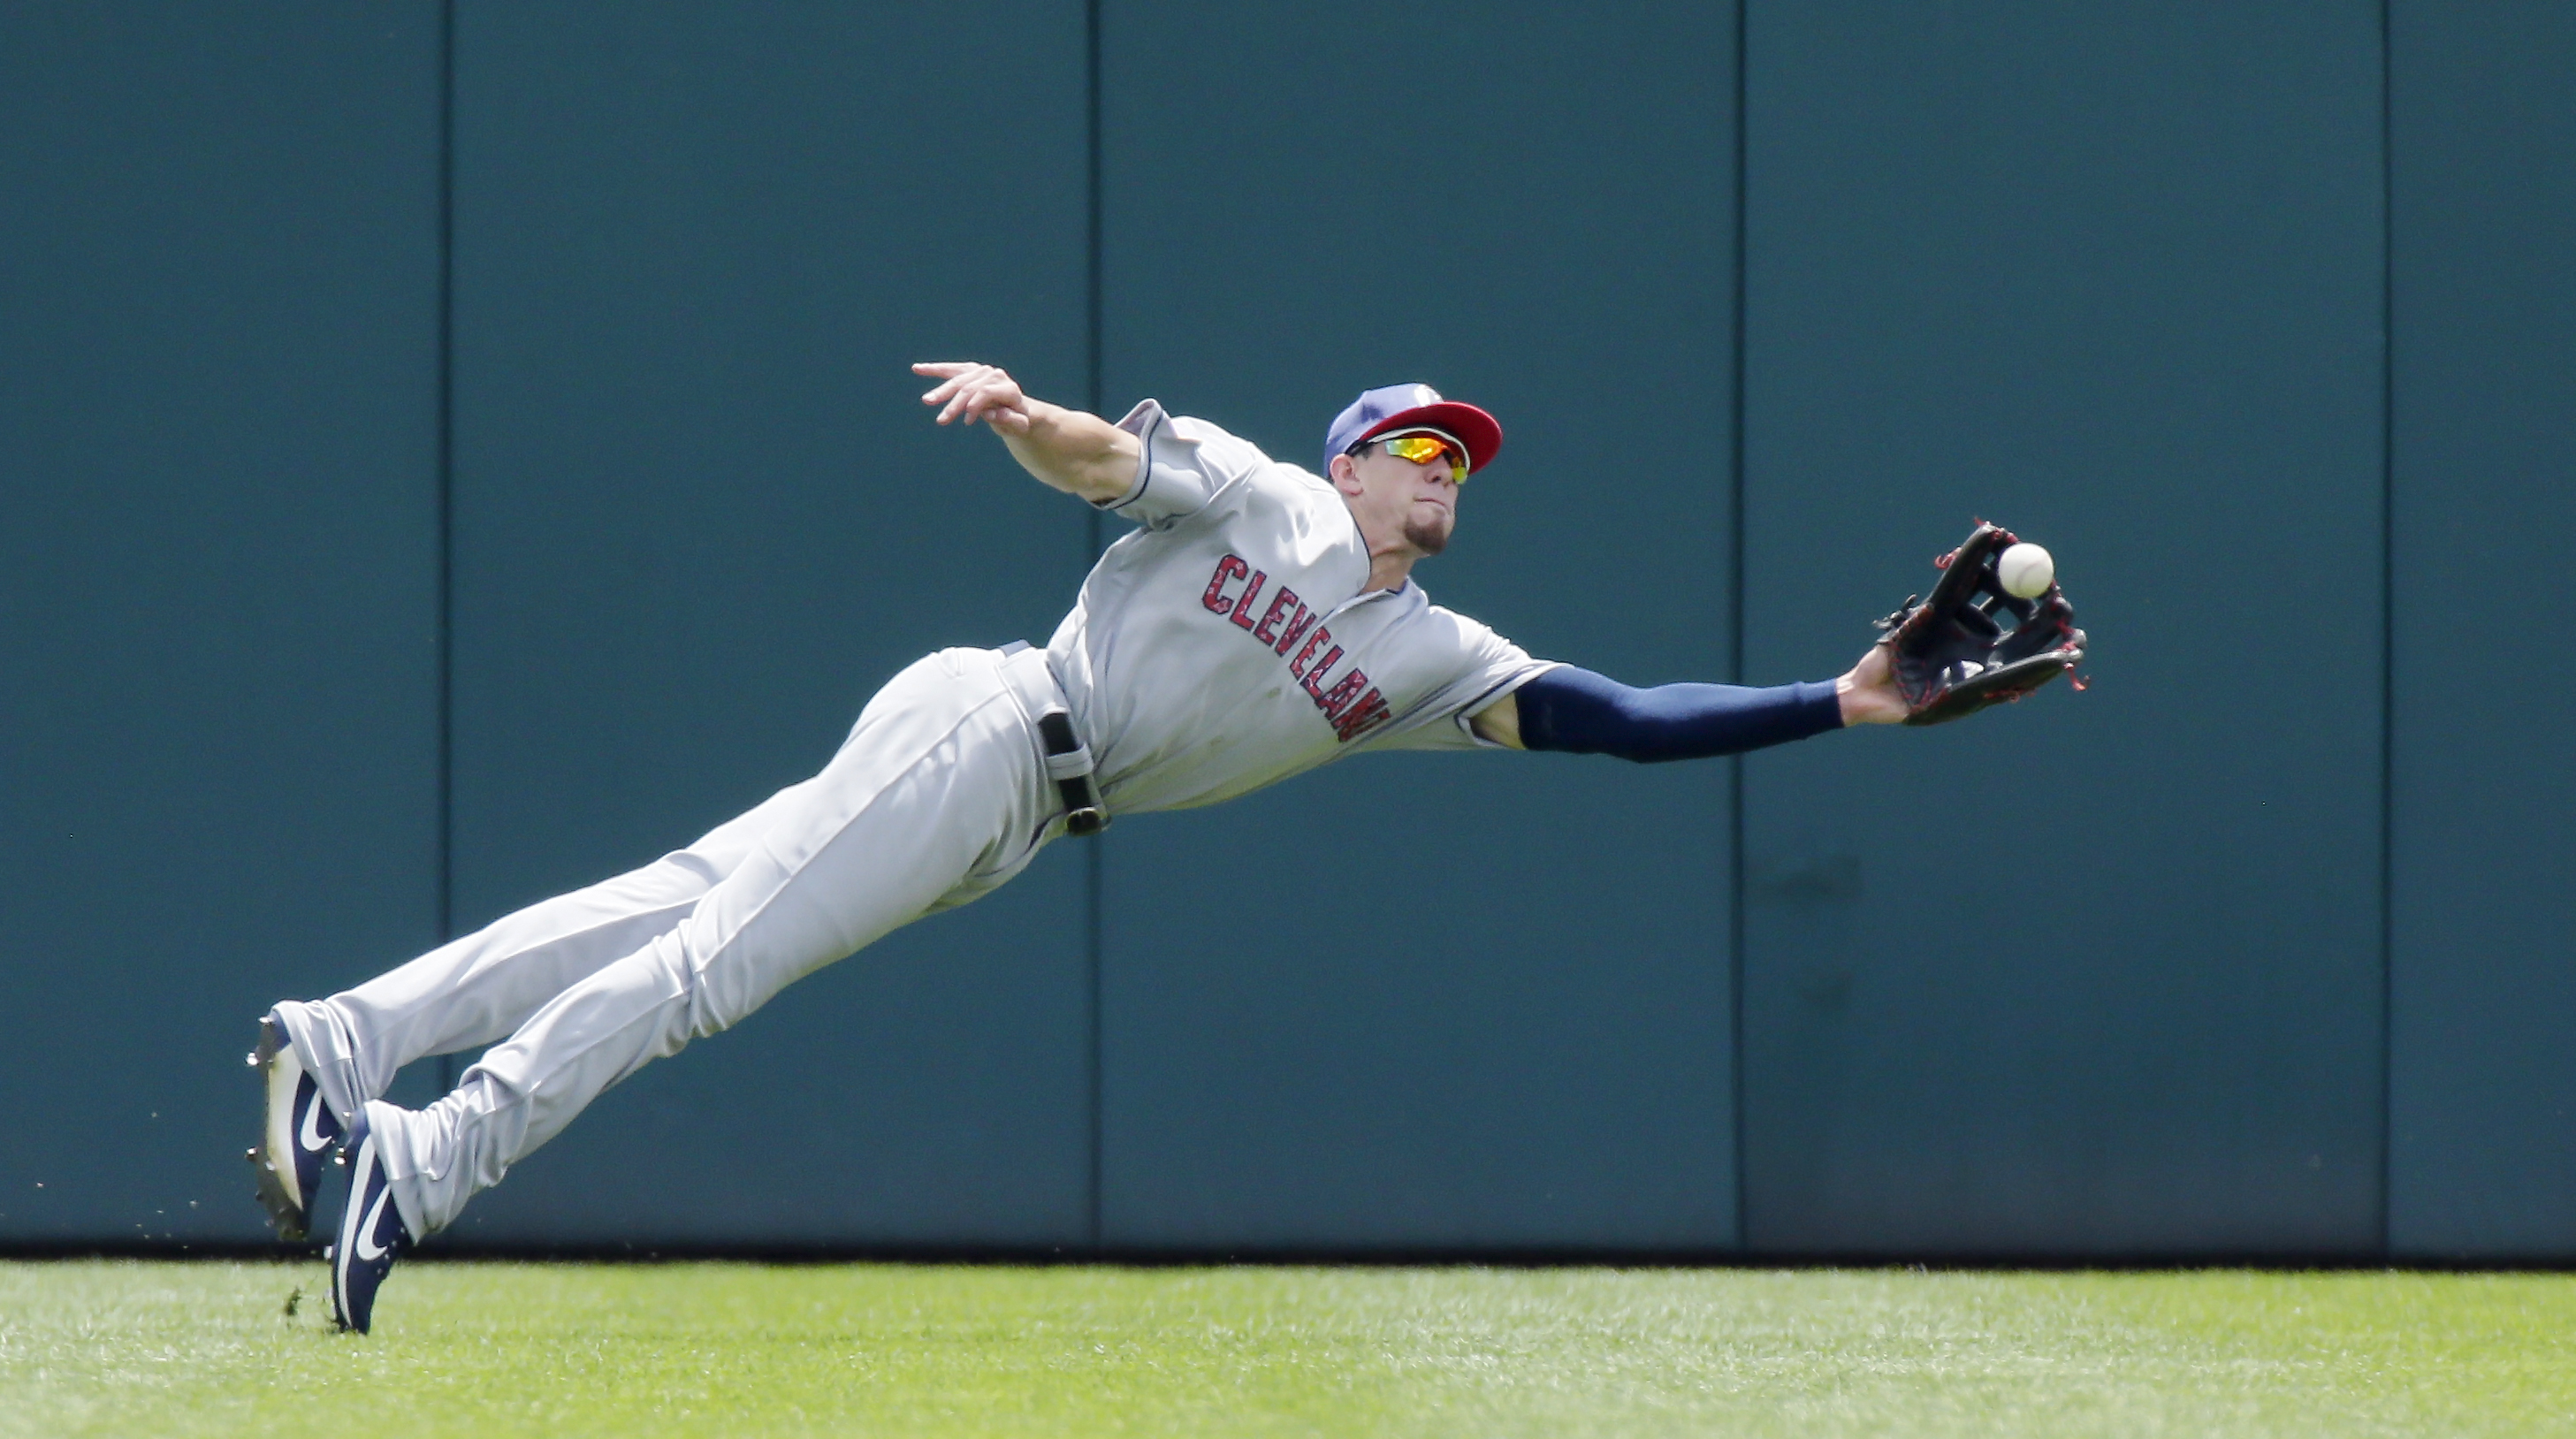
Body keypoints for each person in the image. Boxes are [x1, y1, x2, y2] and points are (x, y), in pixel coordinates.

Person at [249, 362, 1915, 1332]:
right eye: (1418, 446)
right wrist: (1020, 406)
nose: (1443, 472)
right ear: (1352, 457)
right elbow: (1105, 460)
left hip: (1023, 808)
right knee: (708, 964)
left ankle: (353, 1037)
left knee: (672, 903)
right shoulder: (1267, 497)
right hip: (990, 728)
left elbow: (1616, 716)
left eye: (1460, 458)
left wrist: (1834, 702)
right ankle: (428, 1157)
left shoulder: (1432, 657)